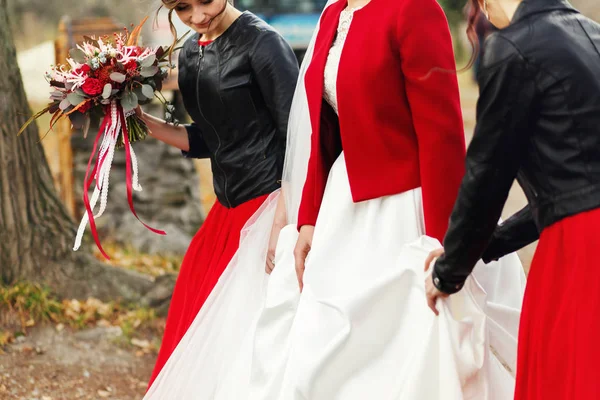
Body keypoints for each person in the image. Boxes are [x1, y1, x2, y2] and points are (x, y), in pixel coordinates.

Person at [144, 0, 525, 398]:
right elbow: (317, 131)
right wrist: (307, 218)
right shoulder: (332, 15)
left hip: (408, 205)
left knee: (409, 340)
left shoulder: (414, 9)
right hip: (342, 204)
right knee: (317, 344)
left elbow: (441, 136)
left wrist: (443, 244)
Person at [425, 0, 600, 399]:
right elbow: (570, 187)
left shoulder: (514, 48)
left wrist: (448, 271)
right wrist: (491, 245)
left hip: (578, 250)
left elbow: (487, 175)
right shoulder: (593, 37)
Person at [138, 0, 299, 386]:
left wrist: (284, 217)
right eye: (182, 8)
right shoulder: (192, 50)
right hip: (227, 207)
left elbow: (299, 136)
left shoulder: (265, 44)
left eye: (205, 1)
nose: (197, 16)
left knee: (250, 330)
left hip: (272, 202)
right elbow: (209, 138)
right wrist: (142, 121)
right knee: (198, 307)